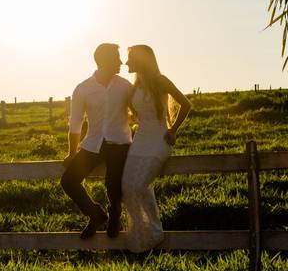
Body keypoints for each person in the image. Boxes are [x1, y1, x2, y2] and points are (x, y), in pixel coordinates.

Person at [121, 44, 192, 252]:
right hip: (140, 139)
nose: (126, 62)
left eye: (130, 58)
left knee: (140, 184)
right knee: (127, 186)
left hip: (159, 139)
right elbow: (135, 115)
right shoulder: (134, 87)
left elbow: (186, 104)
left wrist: (174, 130)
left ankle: (154, 231)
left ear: (142, 59)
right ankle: (140, 236)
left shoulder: (161, 81)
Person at [61, 43, 133, 239]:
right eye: (116, 58)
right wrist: (72, 152)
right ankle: (95, 214)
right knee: (68, 181)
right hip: (93, 144)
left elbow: (138, 112)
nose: (120, 62)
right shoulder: (83, 89)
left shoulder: (125, 86)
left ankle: (115, 213)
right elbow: (75, 123)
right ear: (104, 61)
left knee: (112, 183)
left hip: (119, 143)